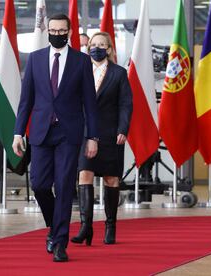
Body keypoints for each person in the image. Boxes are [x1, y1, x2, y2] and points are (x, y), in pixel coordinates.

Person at [13, 14, 99, 262]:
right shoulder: (36, 59)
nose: (57, 33)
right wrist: (19, 132)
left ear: (69, 32)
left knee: (63, 187)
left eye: (62, 30)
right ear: (47, 31)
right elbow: (26, 100)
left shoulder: (82, 62)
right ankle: (54, 226)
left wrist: (92, 137)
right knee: (39, 184)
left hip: (68, 133)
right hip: (40, 132)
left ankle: (60, 243)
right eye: (53, 29)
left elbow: (90, 104)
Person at [71, 32, 132, 246]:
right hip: (85, 133)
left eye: (102, 44)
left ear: (109, 49)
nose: (97, 47)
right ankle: (85, 227)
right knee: (84, 174)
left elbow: (125, 104)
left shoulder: (119, 73)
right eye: (93, 44)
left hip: (110, 133)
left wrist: (123, 129)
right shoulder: (79, 70)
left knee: (111, 179)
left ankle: (110, 226)